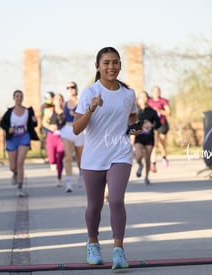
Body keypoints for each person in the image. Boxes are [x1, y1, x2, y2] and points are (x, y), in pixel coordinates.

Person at [73, 47, 141, 270]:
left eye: (115, 62)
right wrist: (91, 109)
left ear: (120, 65)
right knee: (94, 206)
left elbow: (131, 121)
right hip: (93, 157)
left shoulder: (128, 94)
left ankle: (119, 250)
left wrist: (135, 130)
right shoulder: (88, 93)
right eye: (106, 63)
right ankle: (93, 244)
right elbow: (76, 129)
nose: (111, 67)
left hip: (120, 153)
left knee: (115, 200)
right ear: (98, 67)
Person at [0, 90, 38, 197]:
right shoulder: (9, 112)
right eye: (17, 96)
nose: (19, 98)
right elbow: (2, 123)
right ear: (14, 98)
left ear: (23, 98)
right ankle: (15, 173)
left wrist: (35, 120)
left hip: (24, 137)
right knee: (13, 166)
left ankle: (20, 187)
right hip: (12, 139)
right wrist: (9, 129)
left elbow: (34, 124)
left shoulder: (28, 111)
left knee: (20, 162)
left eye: (21, 96)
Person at [61, 81, 85, 192]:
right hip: (67, 130)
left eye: (72, 87)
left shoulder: (81, 102)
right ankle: (69, 183)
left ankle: (81, 174)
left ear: (76, 89)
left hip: (79, 130)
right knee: (68, 158)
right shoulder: (64, 104)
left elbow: (85, 117)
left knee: (80, 159)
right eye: (68, 87)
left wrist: (74, 114)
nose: (70, 89)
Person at [133, 91, 161, 185]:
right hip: (139, 137)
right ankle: (140, 165)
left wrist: (152, 125)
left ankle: (146, 176)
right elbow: (130, 124)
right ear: (138, 100)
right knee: (138, 156)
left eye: (145, 97)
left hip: (149, 137)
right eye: (141, 97)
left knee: (148, 158)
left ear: (148, 99)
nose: (143, 99)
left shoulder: (152, 111)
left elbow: (158, 123)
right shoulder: (135, 112)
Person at [42, 93, 66, 187]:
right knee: (52, 159)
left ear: (62, 101)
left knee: (60, 157)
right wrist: (50, 127)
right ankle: (53, 163)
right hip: (52, 137)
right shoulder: (50, 111)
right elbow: (44, 122)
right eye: (56, 99)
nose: (58, 101)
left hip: (62, 137)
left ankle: (58, 178)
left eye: (60, 99)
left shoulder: (65, 111)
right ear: (53, 101)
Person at [148, 85, 171, 172]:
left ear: (160, 92)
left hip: (162, 124)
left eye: (158, 91)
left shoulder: (163, 101)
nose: (156, 92)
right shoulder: (149, 101)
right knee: (154, 144)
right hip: (153, 125)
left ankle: (164, 157)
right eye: (154, 91)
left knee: (161, 143)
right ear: (152, 92)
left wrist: (159, 110)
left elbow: (169, 113)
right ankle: (153, 164)